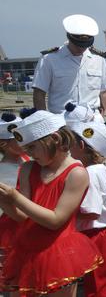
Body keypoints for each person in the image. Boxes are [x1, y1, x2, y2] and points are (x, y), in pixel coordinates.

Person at [0, 110, 102, 296]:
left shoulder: (76, 173)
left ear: (54, 138)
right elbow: (22, 217)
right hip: (26, 249)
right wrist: (4, 201)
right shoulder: (28, 168)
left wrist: (15, 197)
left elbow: (55, 220)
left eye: (32, 147)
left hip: (57, 254)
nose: (28, 153)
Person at [68, 121, 106, 297]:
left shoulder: (88, 174)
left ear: (82, 145)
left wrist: (65, 211)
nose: (69, 149)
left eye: (71, 144)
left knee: (99, 282)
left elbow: (92, 211)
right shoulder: (100, 168)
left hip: (95, 235)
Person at [32, 14, 106, 126]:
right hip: (61, 122)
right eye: (78, 45)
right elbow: (39, 92)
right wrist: (43, 121)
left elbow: (105, 92)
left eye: (85, 45)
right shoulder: (50, 59)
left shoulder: (98, 59)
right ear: (69, 37)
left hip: (93, 121)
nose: (81, 48)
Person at [0, 113, 28, 272]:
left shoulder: (26, 158)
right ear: (4, 144)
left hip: (27, 216)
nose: (24, 140)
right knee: (16, 268)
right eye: (18, 138)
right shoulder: (3, 171)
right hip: (13, 223)